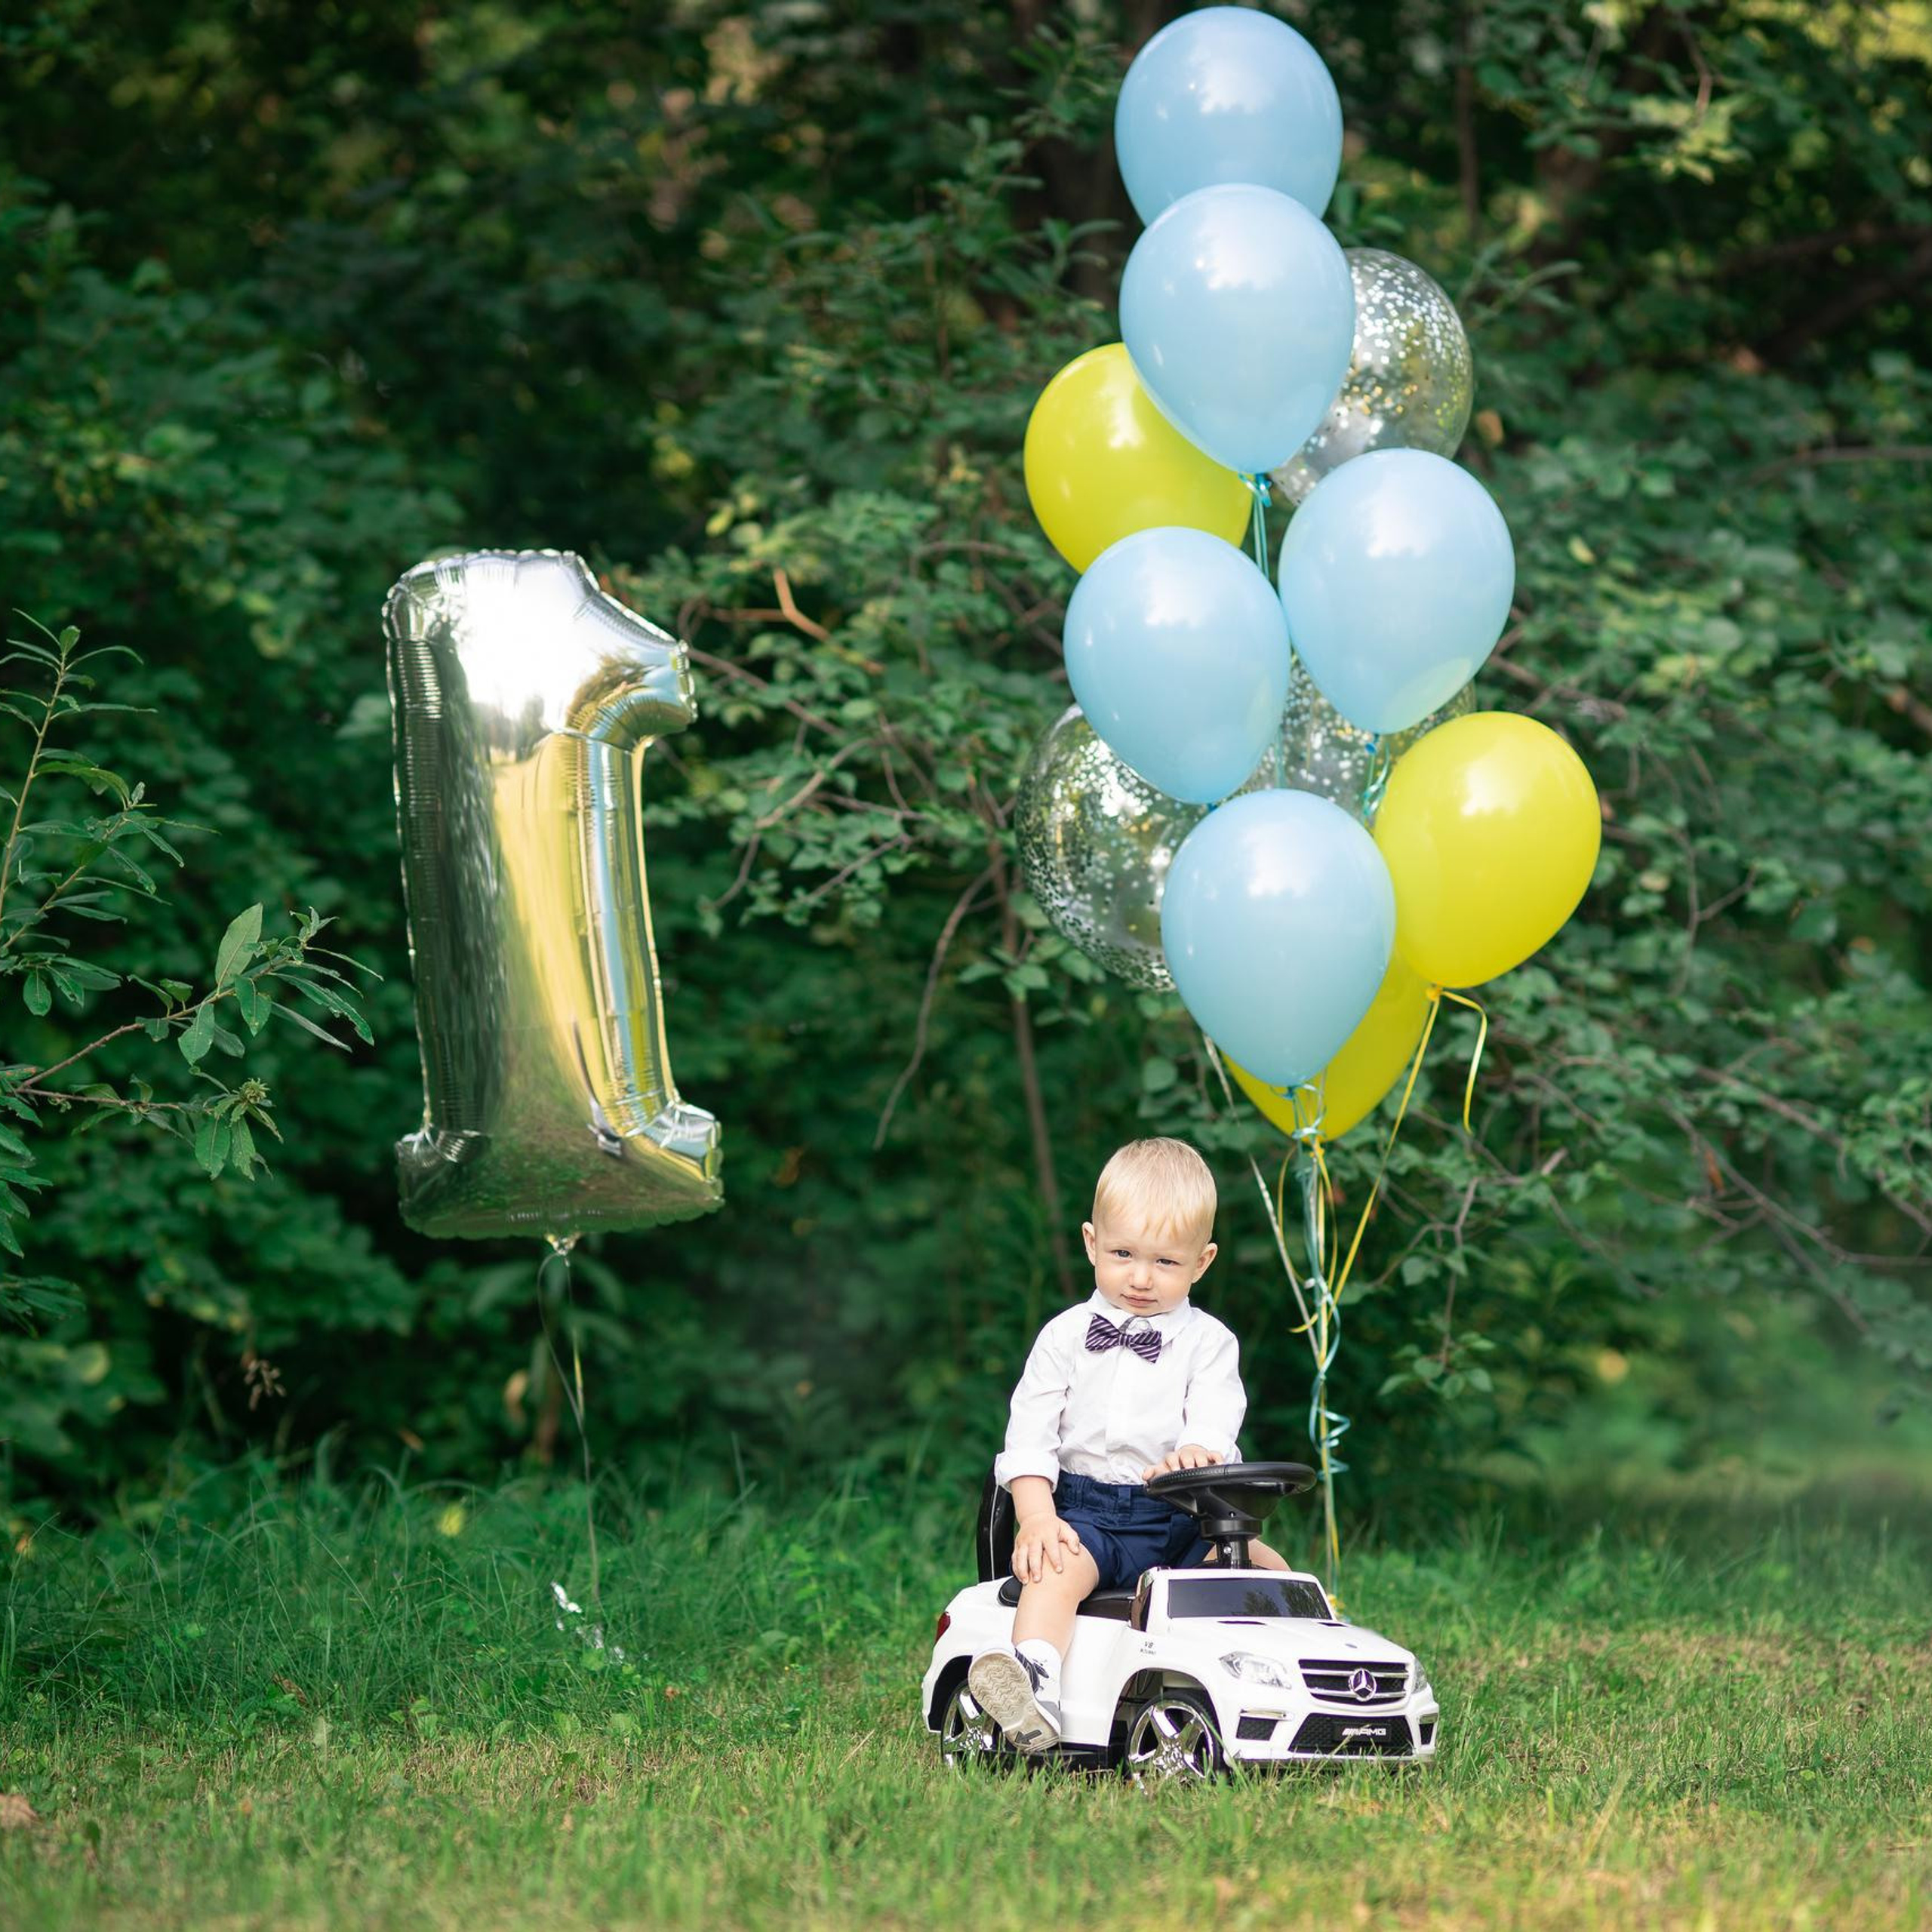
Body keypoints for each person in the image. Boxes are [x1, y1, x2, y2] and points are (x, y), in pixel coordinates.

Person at [965, 1137, 1291, 1753]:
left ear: (1202, 1261)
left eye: (1166, 1263)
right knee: (1053, 1576)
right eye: (1123, 1254)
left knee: (1264, 1565)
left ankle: (1314, 1655)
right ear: (1092, 1243)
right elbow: (1029, 1438)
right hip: (1089, 1516)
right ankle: (1034, 1688)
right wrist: (1036, 1517)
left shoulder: (1210, 1343)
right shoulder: (1064, 1337)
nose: (1141, 1279)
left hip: (1183, 1514)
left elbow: (1217, 1419)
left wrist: (1198, 1454)